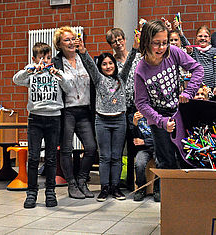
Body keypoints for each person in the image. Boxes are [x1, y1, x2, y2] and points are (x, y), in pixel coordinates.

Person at [134, 20, 203, 202]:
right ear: (147, 42)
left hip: (179, 112)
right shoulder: (141, 70)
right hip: (158, 118)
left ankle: (190, 200)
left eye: (165, 42)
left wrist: (189, 91)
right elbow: (141, 103)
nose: (162, 47)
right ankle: (169, 202)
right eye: (157, 43)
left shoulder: (174, 52)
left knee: (186, 157)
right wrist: (161, 122)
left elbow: (198, 69)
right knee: (165, 162)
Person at [78, 32, 139, 201]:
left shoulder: (122, 77)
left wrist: (134, 47)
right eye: (104, 64)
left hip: (119, 120)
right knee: (105, 156)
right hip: (102, 121)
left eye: (110, 63)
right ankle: (104, 188)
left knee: (116, 156)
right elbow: (90, 65)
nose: (108, 66)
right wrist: (83, 51)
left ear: (115, 65)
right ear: (101, 67)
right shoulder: (98, 79)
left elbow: (130, 61)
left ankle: (115, 187)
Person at [13, 43, 71, 208]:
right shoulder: (31, 73)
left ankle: (50, 192)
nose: (45, 61)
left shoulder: (56, 73)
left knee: (51, 158)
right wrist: (30, 69)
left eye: (47, 58)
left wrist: (59, 75)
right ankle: (31, 193)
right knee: (33, 158)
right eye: (41, 58)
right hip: (35, 119)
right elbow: (16, 79)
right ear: (34, 59)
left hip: (54, 118)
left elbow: (69, 87)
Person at [52, 26, 97, 199]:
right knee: (66, 148)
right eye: (67, 40)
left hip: (85, 109)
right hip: (67, 111)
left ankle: (82, 180)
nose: (71, 42)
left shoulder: (84, 58)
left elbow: (95, 75)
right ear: (59, 44)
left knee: (91, 147)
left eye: (73, 39)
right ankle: (71, 184)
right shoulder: (57, 62)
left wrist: (84, 52)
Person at [106, 28, 143, 191]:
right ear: (110, 44)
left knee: (135, 144)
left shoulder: (137, 57)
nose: (118, 43)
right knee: (119, 145)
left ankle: (133, 181)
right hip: (120, 108)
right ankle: (118, 181)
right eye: (114, 41)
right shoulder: (110, 63)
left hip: (137, 106)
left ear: (125, 39)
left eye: (120, 39)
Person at [131, 110, 155, 201]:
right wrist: (135, 124)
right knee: (139, 163)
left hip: (157, 147)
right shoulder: (133, 116)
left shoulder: (156, 114)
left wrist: (145, 141)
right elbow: (134, 139)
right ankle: (141, 188)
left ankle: (158, 189)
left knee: (161, 162)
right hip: (143, 149)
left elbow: (161, 138)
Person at [188, 25, 216, 91]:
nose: (203, 38)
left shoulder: (214, 51)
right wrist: (181, 33)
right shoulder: (194, 50)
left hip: (210, 86)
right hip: (197, 85)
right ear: (196, 38)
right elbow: (186, 42)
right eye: (200, 36)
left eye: (205, 36)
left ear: (209, 39)